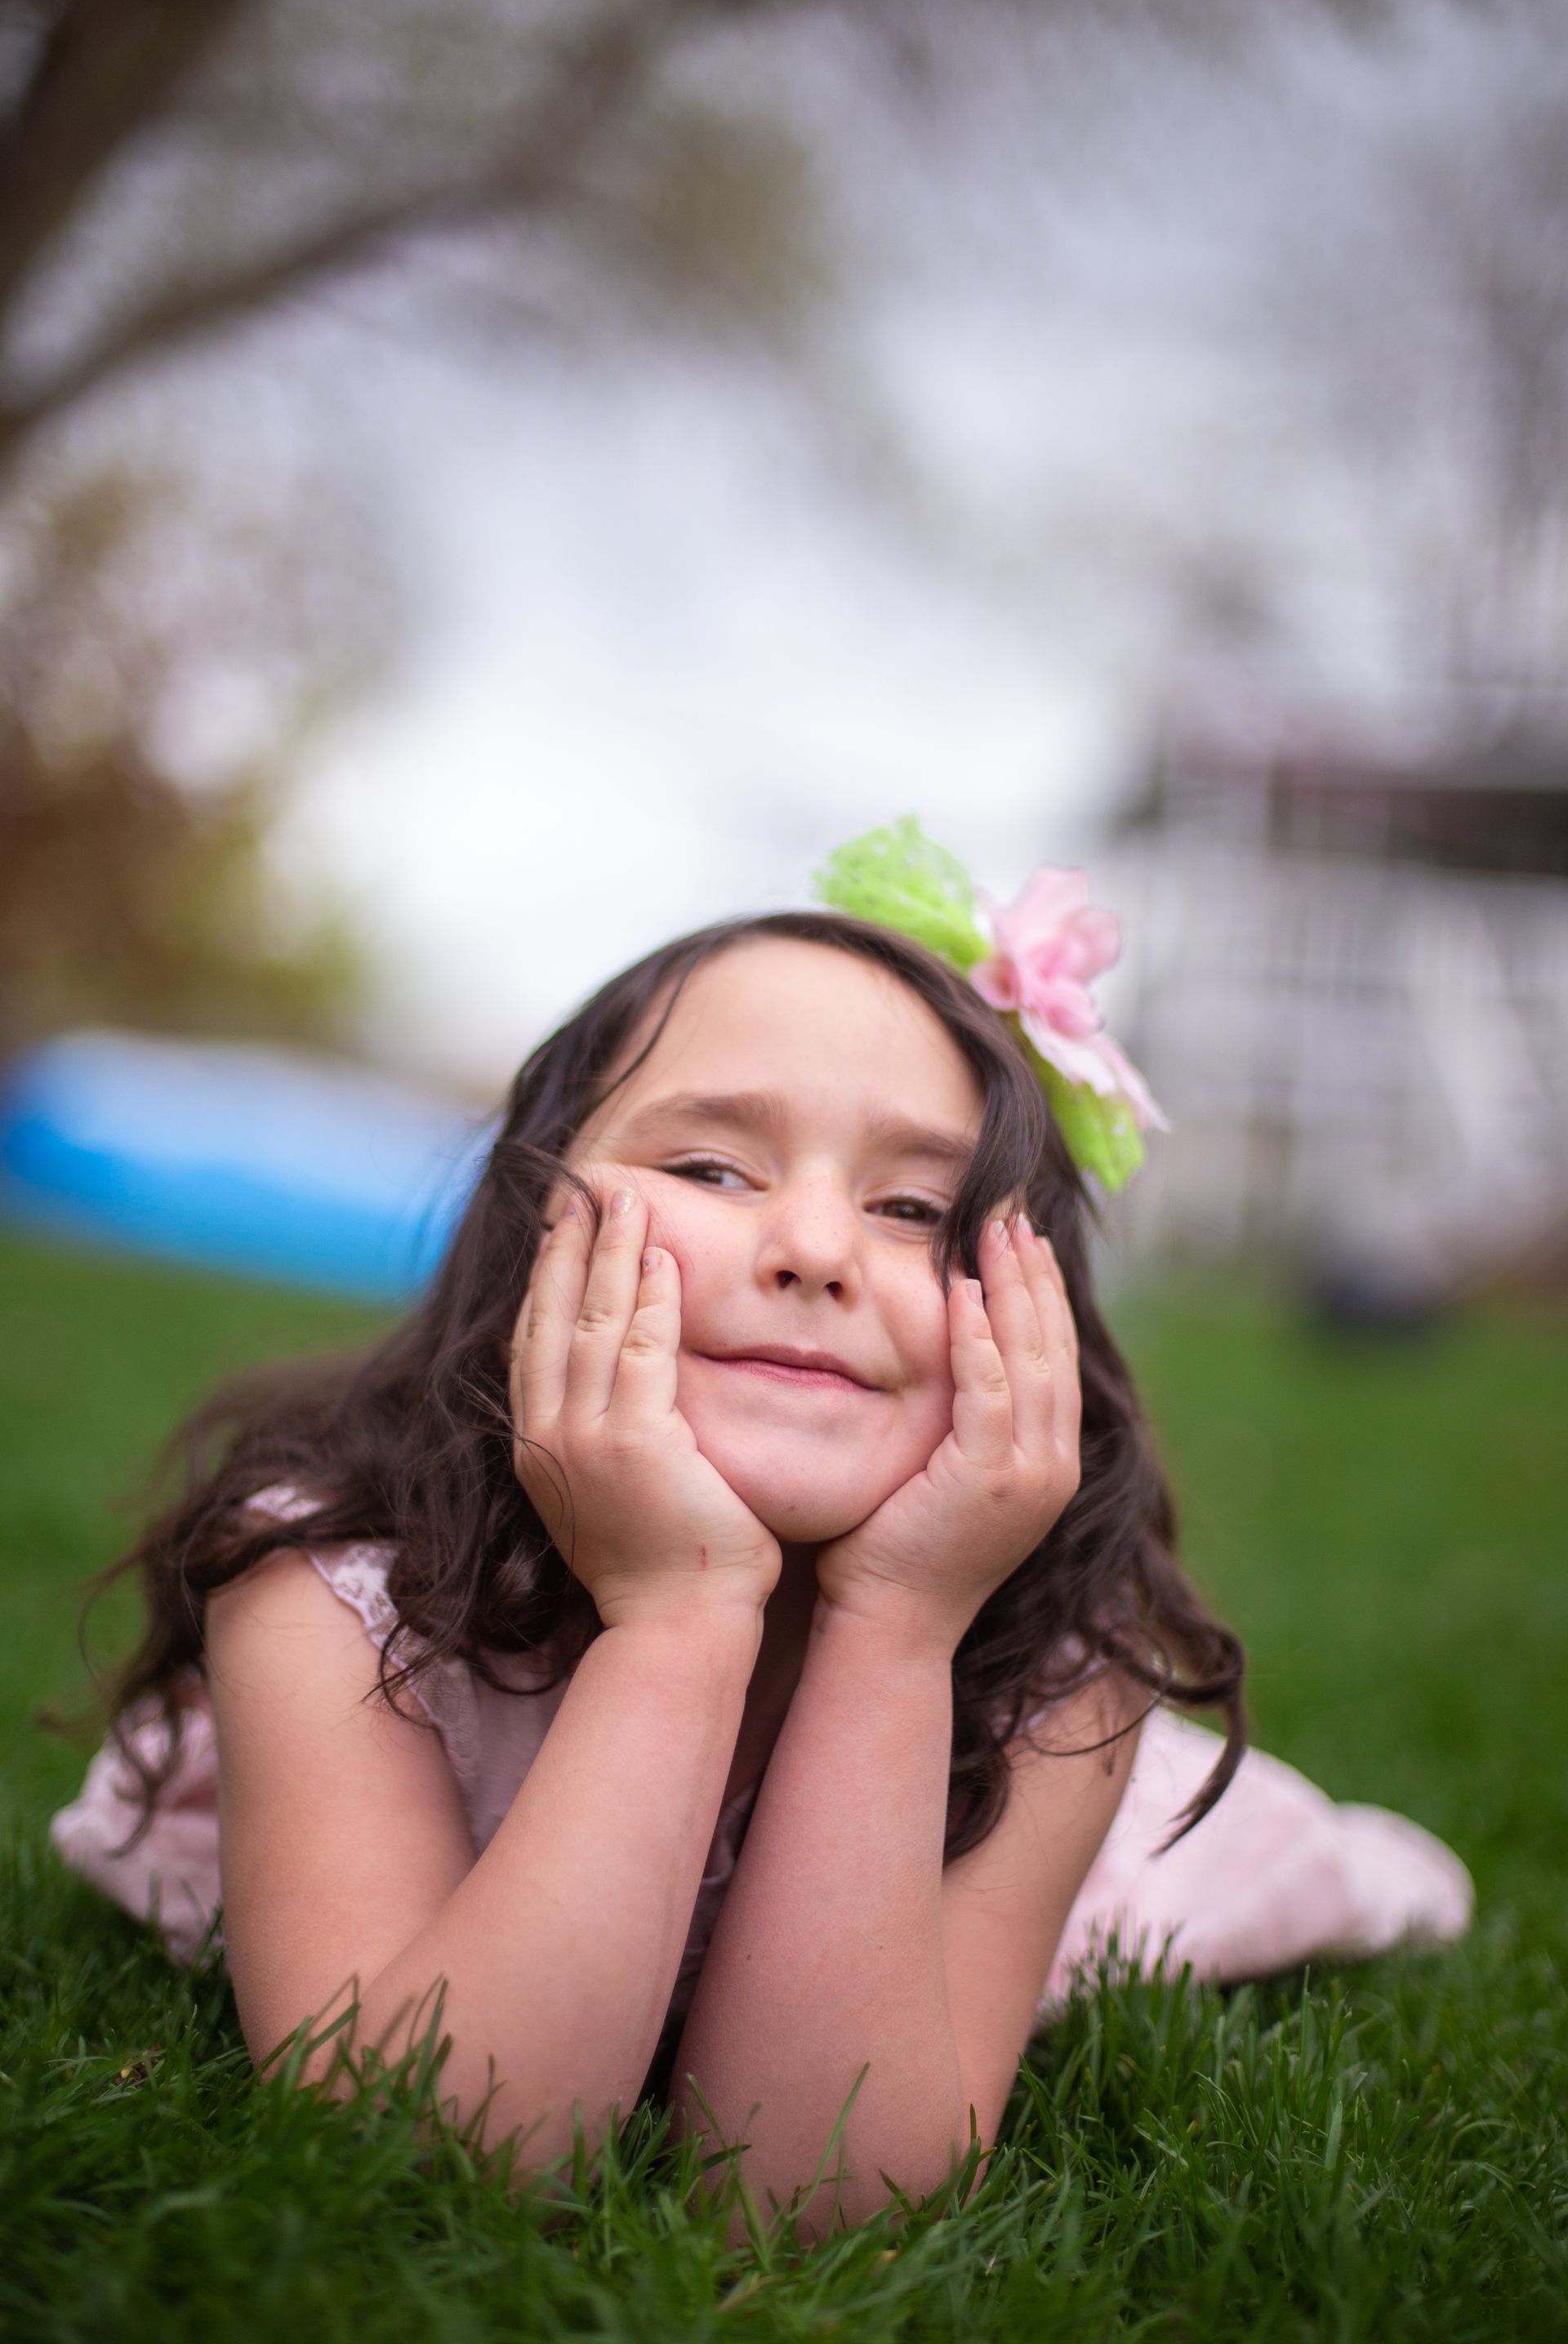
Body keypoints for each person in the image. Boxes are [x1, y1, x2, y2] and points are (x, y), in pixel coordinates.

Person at [51, 823, 1472, 2232]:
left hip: (973, 1738)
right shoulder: (328, 1586)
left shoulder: (1053, 1673)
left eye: (918, 1208)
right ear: (528, 1222)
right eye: (714, 1170)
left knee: (1275, 1871)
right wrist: (681, 1619)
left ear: (1036, 1325)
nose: (813, 1248)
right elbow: (437, 2147)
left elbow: (810, 2188)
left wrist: (903, 1628)